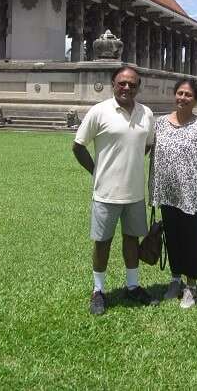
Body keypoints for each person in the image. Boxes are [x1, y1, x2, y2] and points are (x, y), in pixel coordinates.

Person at [72, 66, 157, 315]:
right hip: (105, 194)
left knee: (132, 240)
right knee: (102, 243)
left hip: (135, 194)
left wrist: (129, 165)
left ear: (138, 87)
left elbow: (147, 145)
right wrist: (98, 171)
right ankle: (98, 291)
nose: (127, 88)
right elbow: (78, 147)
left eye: (132, 84)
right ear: (113, 84)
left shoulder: (147, 114)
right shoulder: (99, 112)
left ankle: (132, 287)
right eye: (122, 83)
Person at [149, 79, 197, 309]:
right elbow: (144, 149)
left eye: (188, 95)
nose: (182, 98)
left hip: (195, 195)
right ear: (174, 95)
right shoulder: (160, 124)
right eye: (179, 93)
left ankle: (191, 287)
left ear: (196, 99)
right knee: (173, 239)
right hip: (168, 194)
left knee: (193, 241)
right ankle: (175, 279)